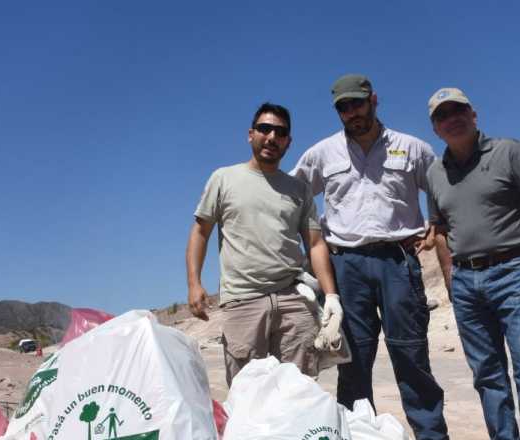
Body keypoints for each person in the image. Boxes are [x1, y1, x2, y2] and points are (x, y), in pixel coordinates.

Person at [291, 74, 449, 439]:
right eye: (343, 108)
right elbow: (291, 198)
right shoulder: (321, 154)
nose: (351, 113)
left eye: (357, 104)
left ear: (373, 100)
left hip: (398, 261)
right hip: (345, 266)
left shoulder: (412, 148)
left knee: (411, 357)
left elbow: (444, 186)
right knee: (354, 362)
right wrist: (307, 245)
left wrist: (437, 224)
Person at [425, 87, 520, 439]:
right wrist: (450, 277)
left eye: (458, 111)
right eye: (442, 116)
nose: (451, 119)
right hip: (466, 283)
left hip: (513, 273)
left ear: (473, 115)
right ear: (435, 128)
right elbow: (439, 229)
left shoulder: (508, 152)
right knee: (486, 375)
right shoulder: (435, 173)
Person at [185, 102, 341, 386]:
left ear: (288, 142)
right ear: (250, 134)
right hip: (242, 301)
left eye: (280, 132)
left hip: (293, 299)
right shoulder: (224, 178)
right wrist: (194, 283)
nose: (271, 137)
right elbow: (200, 232)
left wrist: (331, 297)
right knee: (248, 396)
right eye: (264, 129)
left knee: (299, 392)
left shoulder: (299, 189)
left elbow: (315, 244)